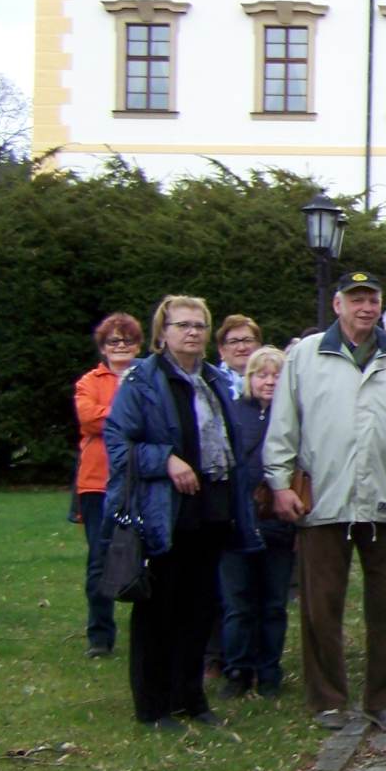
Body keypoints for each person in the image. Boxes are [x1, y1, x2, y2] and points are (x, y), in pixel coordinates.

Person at [264, 270, 386, 733]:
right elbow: (284, 423)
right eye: (357, 300)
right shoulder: (308, 356)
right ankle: (327, 700)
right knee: (320, 606)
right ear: (338, 305)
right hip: (324, 499)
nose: (365, 308)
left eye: (372, 300)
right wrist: (280, 481)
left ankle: (385, 701)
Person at [106, 295, 263, 730]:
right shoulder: (142, 380)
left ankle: (190, 698)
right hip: (163, 512)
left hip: (210, 510)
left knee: (198, 609)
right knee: (159, 611)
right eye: (182, 325)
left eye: (198, 325)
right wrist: (167, 460)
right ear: (162, 333)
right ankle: (154, 707)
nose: (191, 332)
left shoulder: (213, 381)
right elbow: (119, 447)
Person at [218, 346, 296, 699]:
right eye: (261, 374)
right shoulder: (233, 414)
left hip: (278, 523)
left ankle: (269, 671)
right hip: (238, 522)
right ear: (249, 379)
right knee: (238, 602)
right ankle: (237, 668)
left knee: (273, 602)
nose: (269, 381)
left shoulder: (295, 418)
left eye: (276, 375)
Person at [74, 311, 142, 659]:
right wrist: (130, 417)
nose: (120, 346)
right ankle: (100, 636)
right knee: (99, 559)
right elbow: (88, 418)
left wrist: (112, 415)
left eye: (127, 339)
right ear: (103, 346)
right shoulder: (89, 381)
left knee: (149, 554)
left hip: (141, 481)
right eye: (113, 340)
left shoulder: (147, 377)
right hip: (97, 484)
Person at [214, 315, 262, 397]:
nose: (241, 348)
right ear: (221, 350)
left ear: (258, 346)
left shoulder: (273, 382)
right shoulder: (213, 384)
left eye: (247, 340)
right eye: (233, 342)